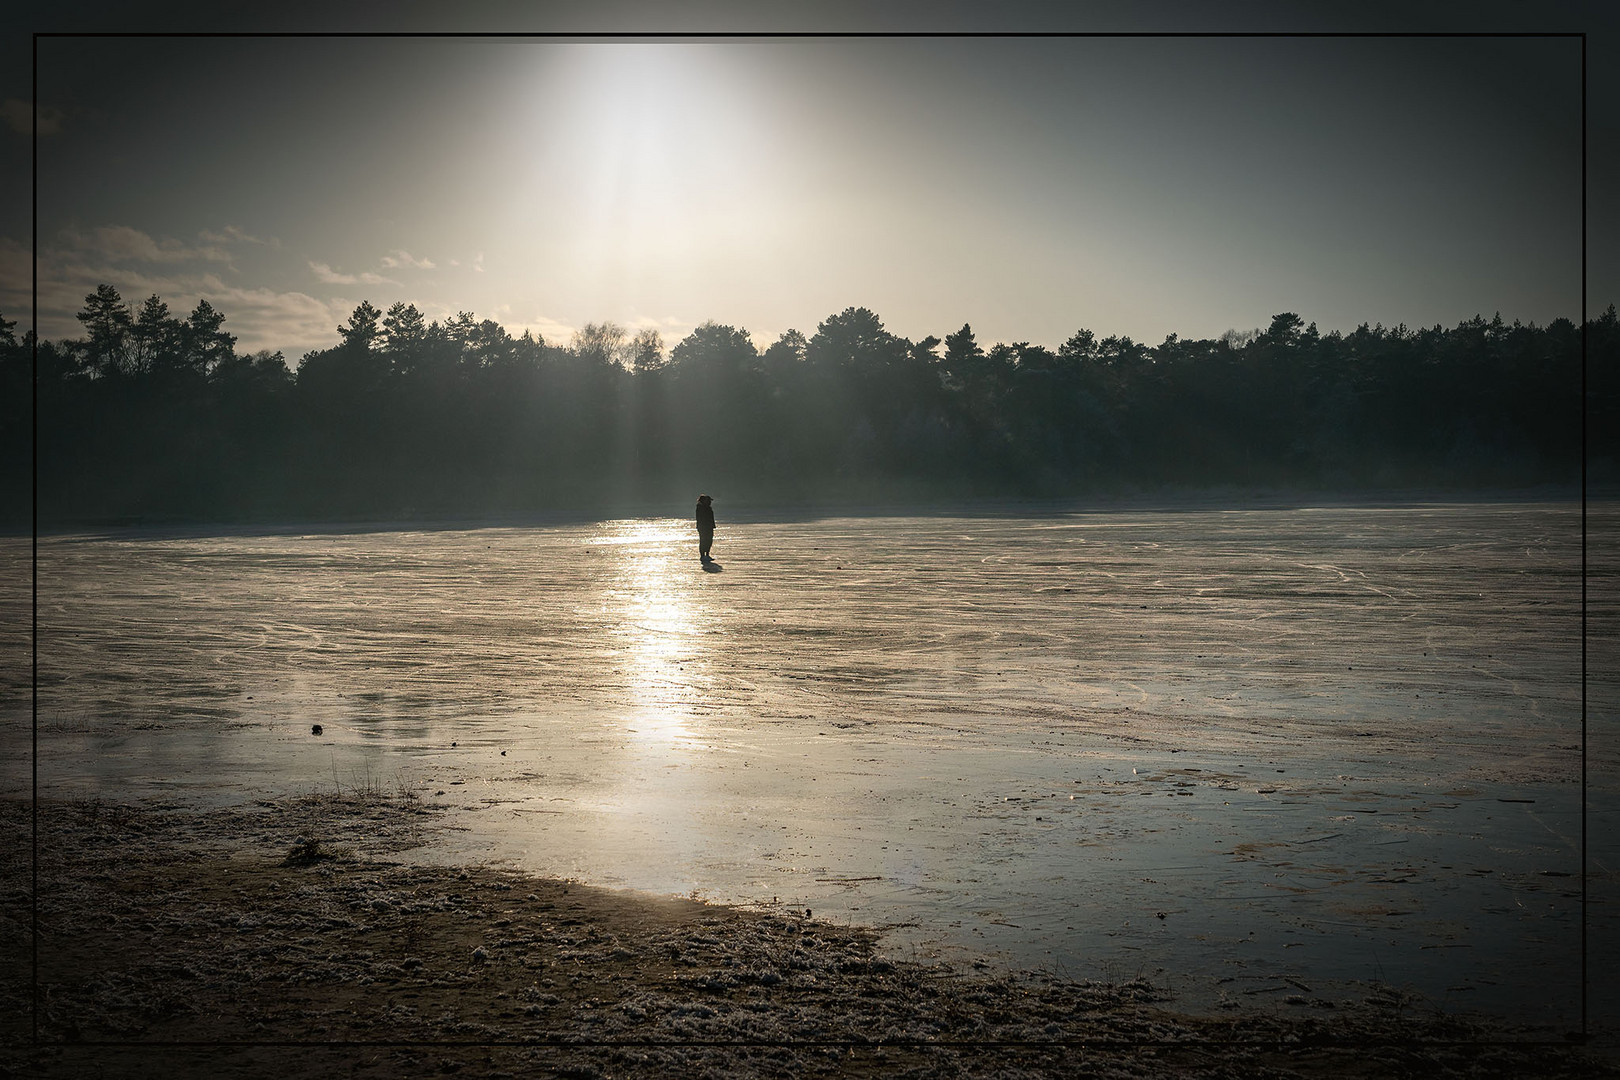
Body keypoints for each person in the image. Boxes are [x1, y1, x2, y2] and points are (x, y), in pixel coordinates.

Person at [695, 494, 715, 562]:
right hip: (703, 527)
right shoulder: (700, 508)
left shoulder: (708, 508)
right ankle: (703, 555)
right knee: (703, 541)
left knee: (709, 540)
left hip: (709, 527)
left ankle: (707, 554)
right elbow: (700, 518)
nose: (710, 502)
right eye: (709, 501)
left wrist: (712, 525)